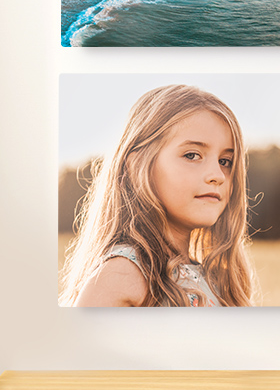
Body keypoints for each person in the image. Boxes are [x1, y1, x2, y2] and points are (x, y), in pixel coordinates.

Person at [59, 84, 255, 307]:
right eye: (192, 155)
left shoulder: (218, 280)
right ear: (137, 165)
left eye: (225, 161)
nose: (217, 175)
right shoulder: (123, 276)